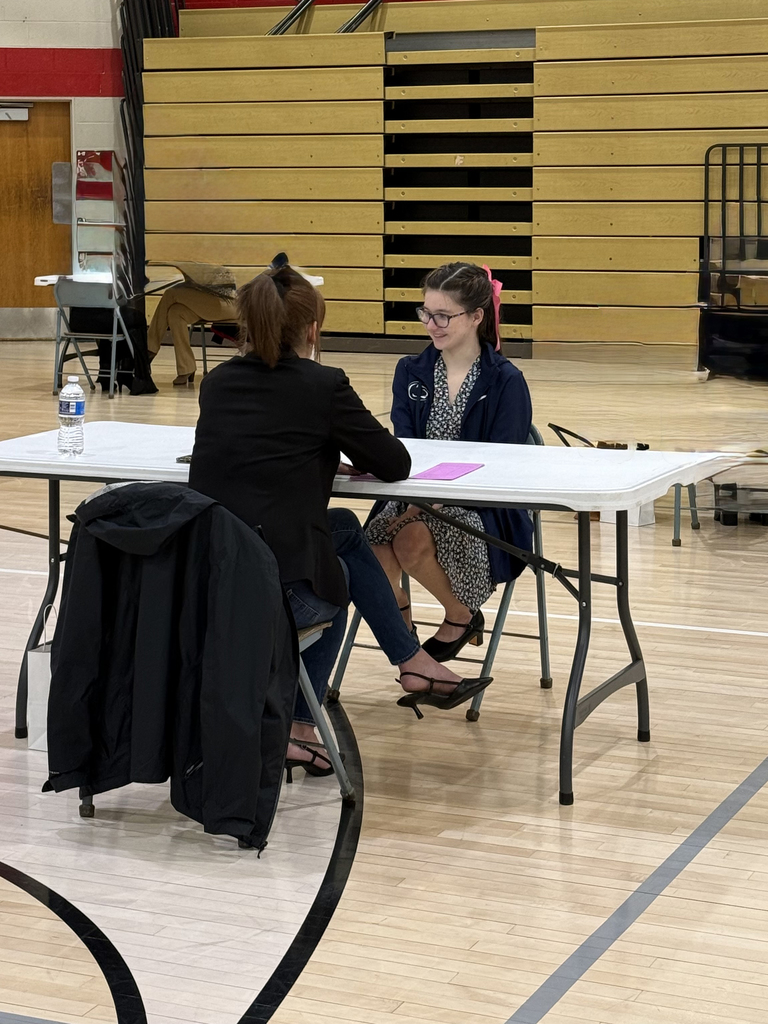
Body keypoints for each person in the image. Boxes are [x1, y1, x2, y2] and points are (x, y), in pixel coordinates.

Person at [188, 263, 492, 777]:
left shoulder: (218, 383)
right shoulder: (322, 385)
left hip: (213, 573)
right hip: (273, 585)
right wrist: (330, 442)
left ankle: (400, 670)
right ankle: (308, 720)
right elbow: (395, 464)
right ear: (311, 330)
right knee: (338, 577)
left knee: (346, 530)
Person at [366, 262, 533, 663]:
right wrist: (413, 501)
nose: (432, 324)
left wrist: (430, 504)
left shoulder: (506, 381)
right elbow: (405, 447)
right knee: (368, 549)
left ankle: (460, 614)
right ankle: (402, 626)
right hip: (414, 493)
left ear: (476, 317)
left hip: (480, 504)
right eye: (427, 313)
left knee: (409, 540)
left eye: (443, 315)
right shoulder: (410, 370)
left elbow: (502, 464)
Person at [147, 282, 237, 385]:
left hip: (227, 302)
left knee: (170, 293)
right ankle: (186, 367)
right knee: (175, 313)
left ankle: (150, 347)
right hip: (208, 301)